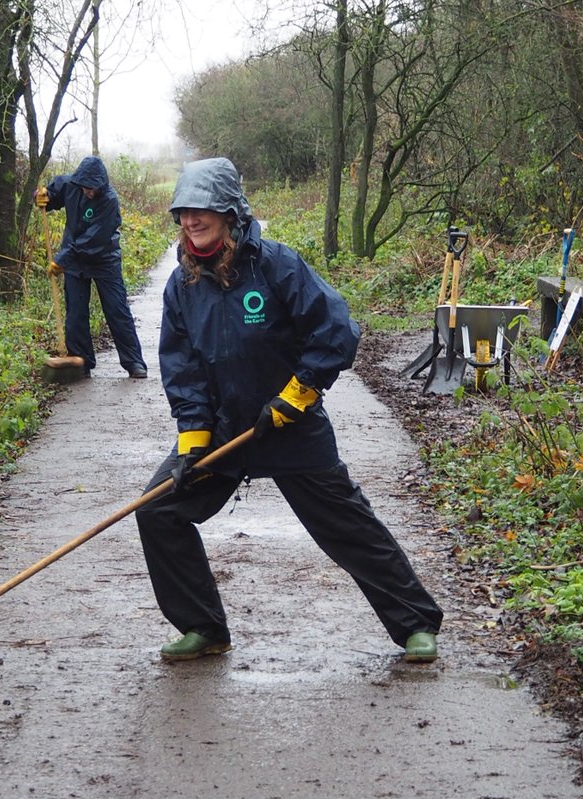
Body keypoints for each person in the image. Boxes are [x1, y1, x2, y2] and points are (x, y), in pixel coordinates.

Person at [133, 157, 443, 664]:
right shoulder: (182, 287)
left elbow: (336, 332)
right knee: (159, 510)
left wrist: (296, 396)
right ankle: (202, 627)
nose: (192, 221)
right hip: (225, 432)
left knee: (348, 526)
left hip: (290, 425)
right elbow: (183, 369)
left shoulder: (277, 265)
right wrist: (193, 440)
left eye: (203, 210)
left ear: (229, 212)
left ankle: (414, 625)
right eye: (184, 212)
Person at [34, 156, 148, 378]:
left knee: (117, 310)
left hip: (104, 258)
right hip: (75, 260)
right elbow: (52, 194)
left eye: (93, 188)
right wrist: (40, 197)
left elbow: (92, 239)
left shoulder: (109, 201)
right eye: (86, 187)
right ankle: (81, 363)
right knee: (76, 312)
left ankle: (134, 362)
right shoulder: (71, 185)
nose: (89, 192)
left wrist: (62, 260)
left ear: (101, 184)